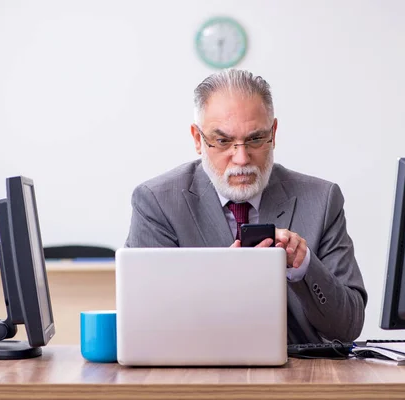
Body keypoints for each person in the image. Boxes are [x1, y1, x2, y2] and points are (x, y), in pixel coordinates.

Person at [124, 68, 367, 344]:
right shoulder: (157, 202)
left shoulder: (322, 199)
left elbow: (349, 325)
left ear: (273, 134)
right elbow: (147, 321)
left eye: (254, 139)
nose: (241, 158)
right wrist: (223, 279)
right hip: (196, 375)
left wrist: (304, 266)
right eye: (223, 141)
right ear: (197, 140)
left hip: (299, 377)